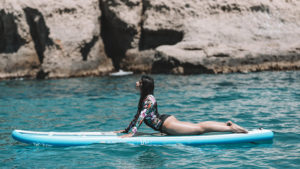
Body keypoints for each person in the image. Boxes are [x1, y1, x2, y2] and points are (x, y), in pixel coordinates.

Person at [115, 75, 247, 138]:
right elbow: (137, 115)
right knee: (198, 126)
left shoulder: (149, 99)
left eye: (140, 82)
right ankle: (226, 125)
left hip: (167, 125)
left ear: (145, 86)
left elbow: (142, 117)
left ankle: (232, 128)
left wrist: (131, 134)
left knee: (199, 129)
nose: (137, 83)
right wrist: (127, 130)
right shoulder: (144, 98)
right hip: (165, 122)